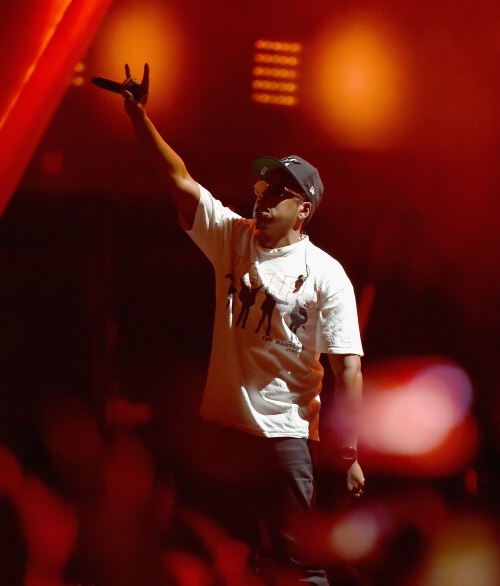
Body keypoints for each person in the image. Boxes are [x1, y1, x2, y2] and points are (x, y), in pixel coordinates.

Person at [116, 63, 365, 584]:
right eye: (264, 186)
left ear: (304, 210)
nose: (263, 197)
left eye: (279, 193)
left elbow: (348, 370)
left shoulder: (327, 274)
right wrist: (140, 117)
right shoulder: (232, 236)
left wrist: (347, 455)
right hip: (221, 438)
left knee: (300, 567)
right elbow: (178, 178)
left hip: (284, 440)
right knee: (210, 559)